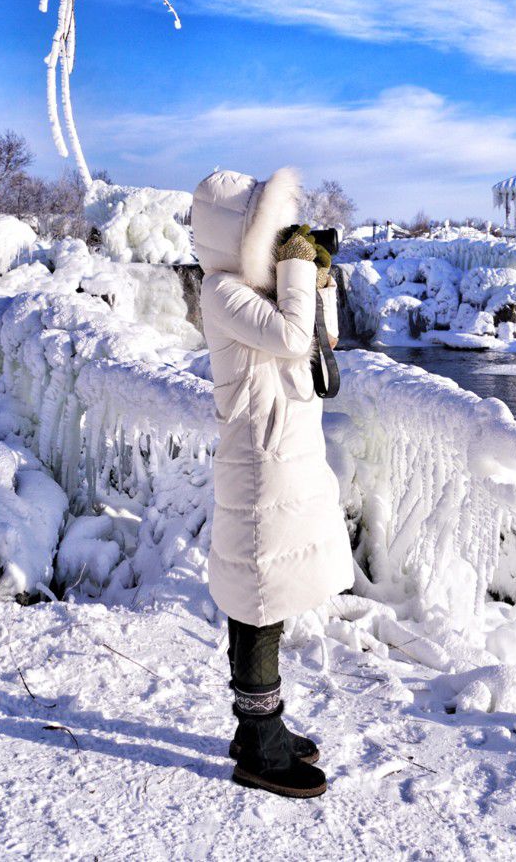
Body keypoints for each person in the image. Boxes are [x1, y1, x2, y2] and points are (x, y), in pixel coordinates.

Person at [190, 167, 354, 799]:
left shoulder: (256, 288)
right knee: (258, 598)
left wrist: (319, 277)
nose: (283, 237)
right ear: (240, 234)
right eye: (272, 230)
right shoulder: (222, 290)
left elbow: (321, 339)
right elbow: (290, 337)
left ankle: (257, 725)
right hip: (260, 464)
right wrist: (293, 273)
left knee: (271, 592)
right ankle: (260, 742)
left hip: (287, 455)